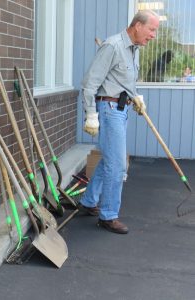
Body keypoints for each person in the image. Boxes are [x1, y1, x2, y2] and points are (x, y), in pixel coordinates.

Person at [78, 10, 160, 234]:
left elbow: (126, 81)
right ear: (137, 26)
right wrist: (91, 114)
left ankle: (88, 201)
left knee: (108, 161)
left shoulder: (134, 50)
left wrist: (136, 97)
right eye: (151, 29)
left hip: (121, 109)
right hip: (109, 109)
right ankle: (108, 215)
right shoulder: (113, 46)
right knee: (117, 165)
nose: (153, 35)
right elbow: (89, 83)